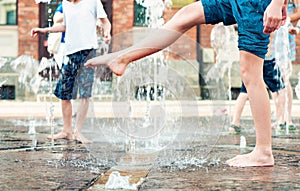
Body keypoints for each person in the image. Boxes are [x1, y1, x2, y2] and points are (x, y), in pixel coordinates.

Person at [85, 1, 287, 167]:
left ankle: (263, 151)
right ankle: (123, 58)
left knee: (250, 73)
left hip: (254, 4)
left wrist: (277, 3)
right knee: (186, 14)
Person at [31, 0, 111, 144]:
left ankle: (78, 132)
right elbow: (65, 26)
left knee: (85, 94)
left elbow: (106, 22)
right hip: (69, 53)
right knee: (65, 92)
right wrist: (45, 30)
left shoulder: (93, 2)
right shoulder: (66, 4)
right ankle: (66, 131)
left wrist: (107, 33)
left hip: (88, 53)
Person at [229, 59, 285, 133]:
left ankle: (234, 123)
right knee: (279, 89)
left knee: (245, 91)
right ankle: (280, 121)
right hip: (267, 61)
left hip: (249, 61)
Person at [271, 0, 300, 131]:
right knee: (273, 76)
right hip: (272, 34)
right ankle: (279, 116)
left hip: (285, 33)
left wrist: (285, 19)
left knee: (284, 76)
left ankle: (287, 117)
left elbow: (299, 13)